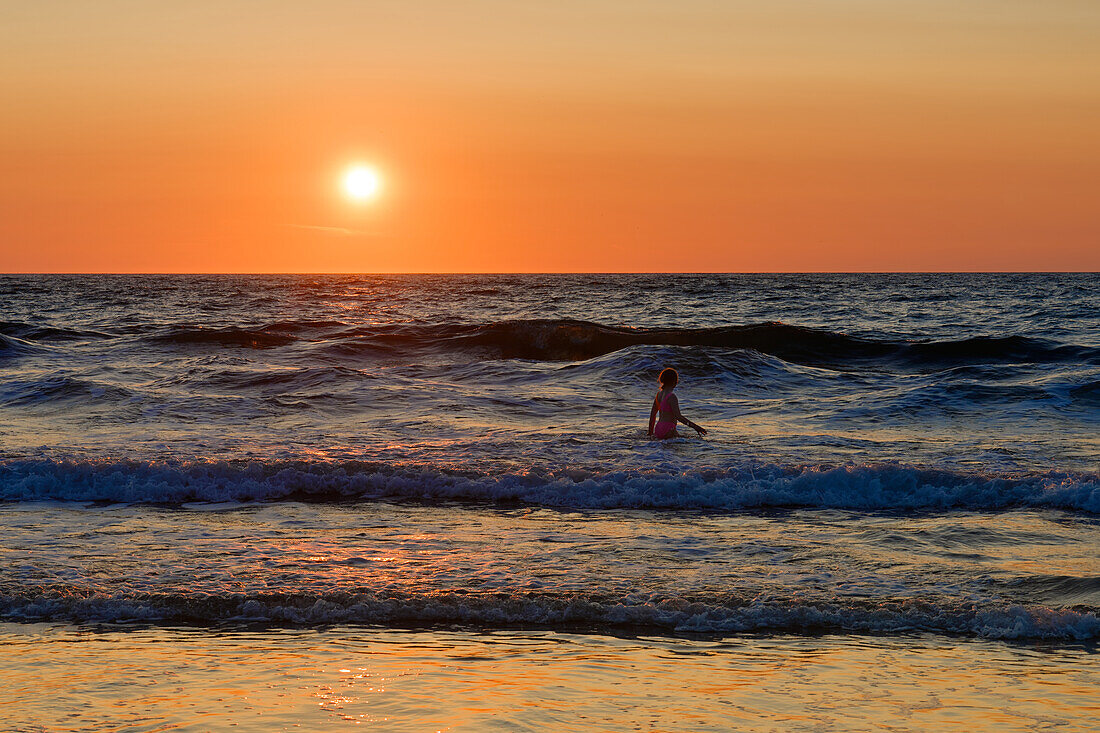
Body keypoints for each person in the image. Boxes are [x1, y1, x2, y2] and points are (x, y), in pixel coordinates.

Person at [647, 368, 707, 439]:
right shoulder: (672, 396)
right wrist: (696, 427)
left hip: (658, 428)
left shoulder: (658, 395)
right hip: (669, 429)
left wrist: (650, 432)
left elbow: (652, 415)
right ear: (675, 382)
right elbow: (678, 417)